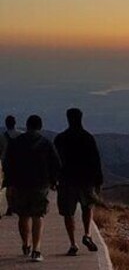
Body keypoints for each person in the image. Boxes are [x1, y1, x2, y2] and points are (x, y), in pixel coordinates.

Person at [2, 115, 61, 262]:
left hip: (20, 184)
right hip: (40, 184)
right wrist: (54, 181)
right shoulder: (45, 143)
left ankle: (25, 244)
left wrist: (9, 183)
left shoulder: (16, 143)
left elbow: (8, 164)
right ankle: (36, 249)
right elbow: (56, 163)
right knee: (38, 216)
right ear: (40, 127)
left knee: (23, 215)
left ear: (27, 126)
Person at [54, 108, 104, 256]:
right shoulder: (88, 137)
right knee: (87, 207)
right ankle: (87, 234)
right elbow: (96, 160)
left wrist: (53, 179)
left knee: (68, 213)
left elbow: (54, 161)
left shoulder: (60, 138)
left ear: (67, 118)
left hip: (66, 181)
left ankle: (72, 243)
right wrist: (98, 180)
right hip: (86, 180)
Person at [0, 115, 21, 216]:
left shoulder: (3, 136)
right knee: (18, 187)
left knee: (8, 187)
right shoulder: (20, 135)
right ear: (15, 123)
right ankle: (17, 206)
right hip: (19, 164)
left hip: (7, 164)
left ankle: (10, 206)